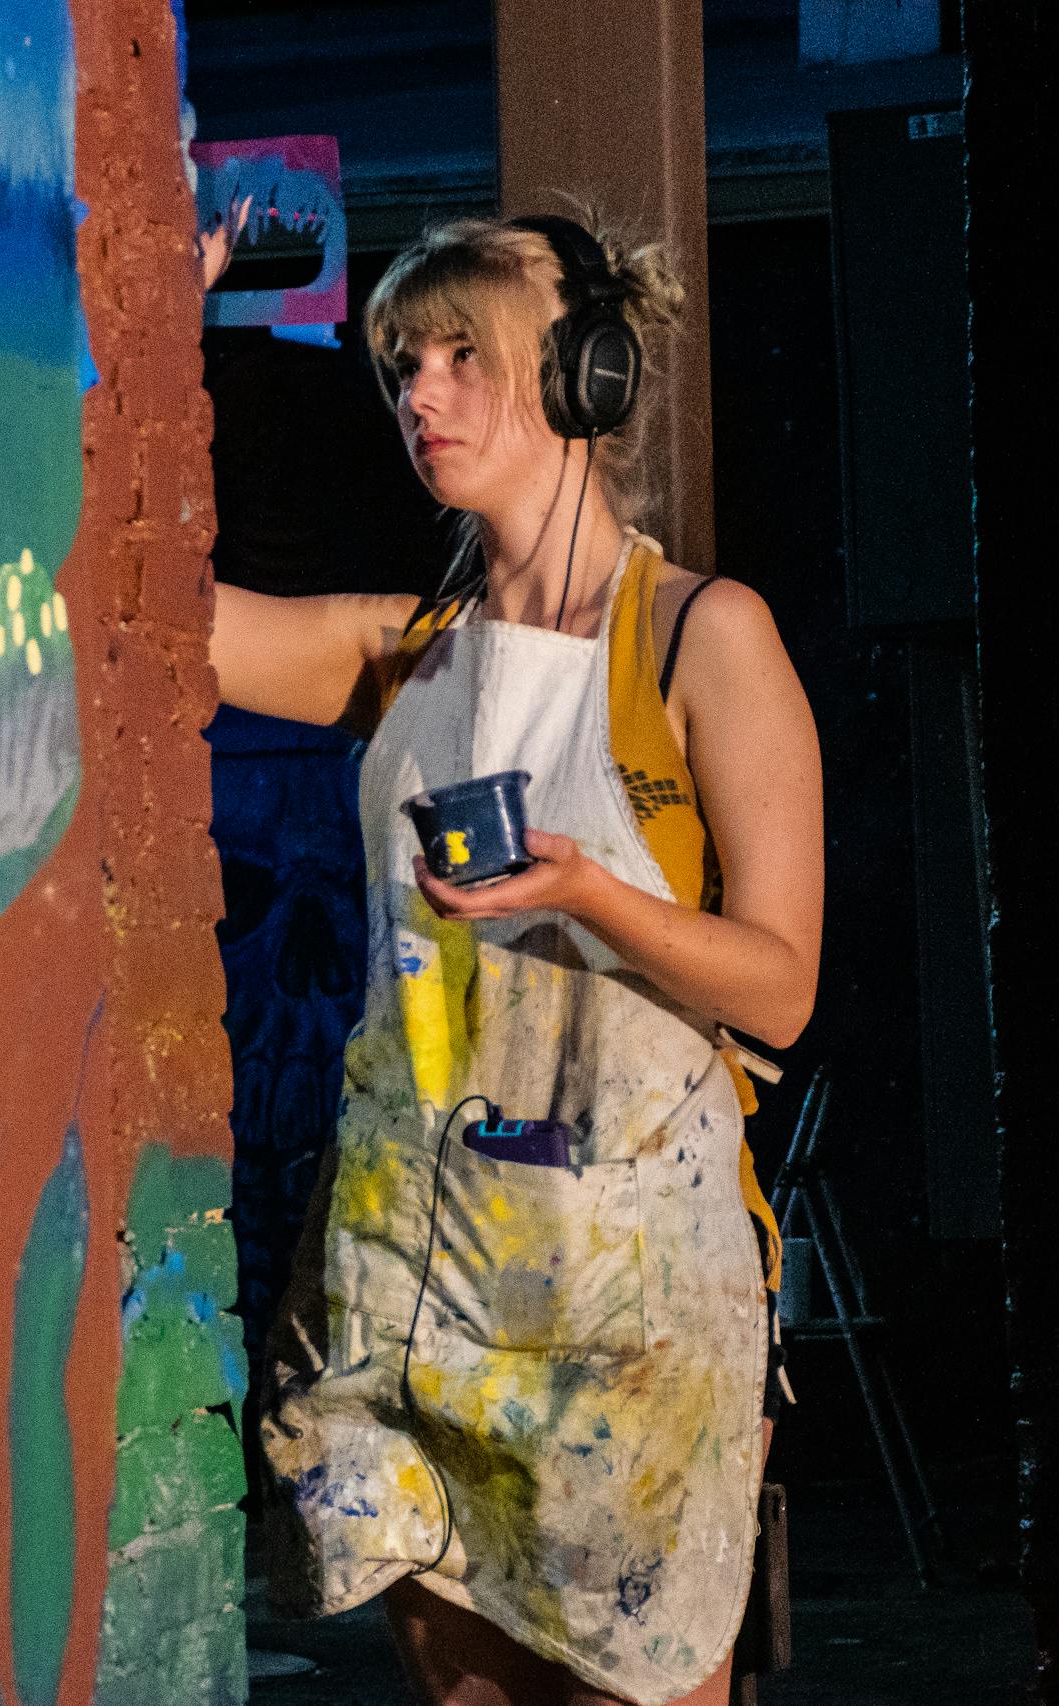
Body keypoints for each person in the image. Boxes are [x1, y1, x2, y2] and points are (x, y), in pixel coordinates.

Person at [214, 212, 824, 1706]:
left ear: (581, 378)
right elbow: (145, 610)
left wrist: (590, 895)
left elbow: (782, 984)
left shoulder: (701, 637)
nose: (421, 394)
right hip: (414, 1293)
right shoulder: (404, 650)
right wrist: (152, 330)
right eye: (402, 366)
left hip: (624, 1318)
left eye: (462, 356)